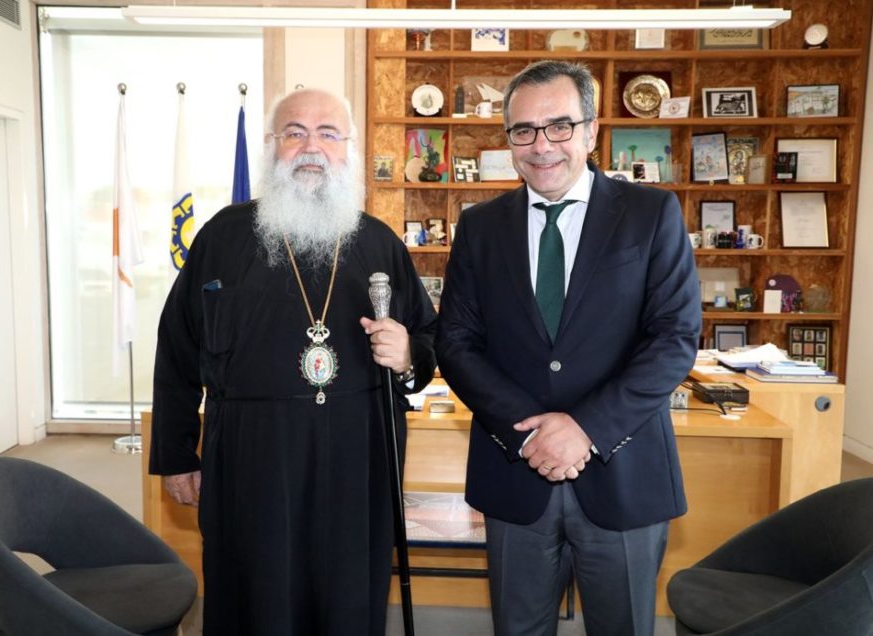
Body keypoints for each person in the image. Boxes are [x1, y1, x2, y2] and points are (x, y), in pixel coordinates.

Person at [150, 88, 437, 635]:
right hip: (251, 458)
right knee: (255, 596)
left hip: (357, 456)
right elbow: (177, 348)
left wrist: (407, 356)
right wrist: (177, 452)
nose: (311, 147)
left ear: (348, 148)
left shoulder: (379, 243)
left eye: (328, 134)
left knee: (347, 595)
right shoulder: (223, 237)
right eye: (295, 133)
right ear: (271, 145)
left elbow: (427, 337)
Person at [435, 60, 701, 635]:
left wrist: (585, 428)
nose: (541, 145)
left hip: (624, 473)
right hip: (516, 474)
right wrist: (530, 433)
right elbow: (455, 343)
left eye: (559, 126)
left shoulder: (651, 215)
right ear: (508, 139)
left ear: (591, 130)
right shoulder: (479, 227)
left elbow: (674, 338)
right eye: (523, 130)